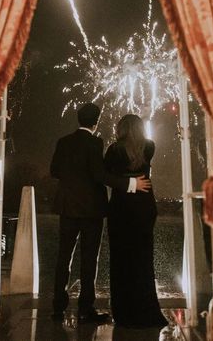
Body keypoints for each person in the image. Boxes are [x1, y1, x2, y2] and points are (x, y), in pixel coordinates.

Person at [50, 103, 151, 324]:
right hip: (90, 209)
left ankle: (58, 307)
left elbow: (54, 170)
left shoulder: (63, 142)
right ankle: (86, 309)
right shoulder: (95, 142)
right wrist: (131, 183)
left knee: (63, 257)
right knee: (89, 259)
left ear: (79, 119)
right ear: (96, 121)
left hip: (66, 206)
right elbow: (99, 174)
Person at [104, 114, 168, 329]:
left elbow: (106, 174)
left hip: (122, 207)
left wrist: (125, 181)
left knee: (121, 259)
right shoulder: (149, 146)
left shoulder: (114, 150)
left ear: (121, 128)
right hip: (144, 206)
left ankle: (124, 311)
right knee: (143, 260)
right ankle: (146, 308)